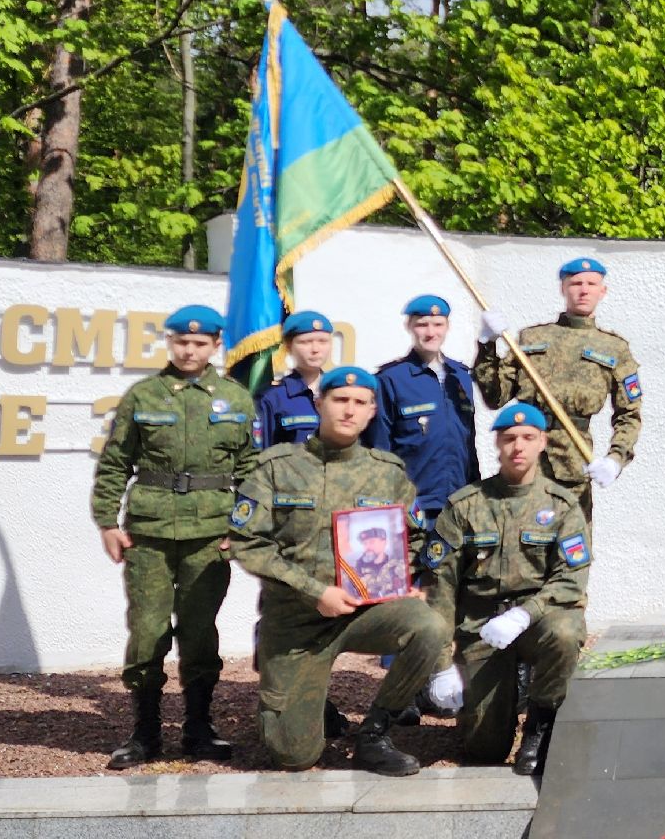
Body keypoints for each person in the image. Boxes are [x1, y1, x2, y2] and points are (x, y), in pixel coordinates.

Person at [229, 367, 453, 776]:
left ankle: (375, 734)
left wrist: (403, 578)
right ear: (320, 404)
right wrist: (313, 590)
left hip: (365, 611)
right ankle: (299, 699)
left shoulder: (387, 472)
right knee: (294, 756)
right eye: (340, 400)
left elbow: (415, 538)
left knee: (429, 626)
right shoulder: (277, 467)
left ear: (371, 412)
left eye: (359, 402)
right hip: (297, 621)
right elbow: (247, 542)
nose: (349, 410)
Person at [89, 303, 256, 769]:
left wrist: (242, 527)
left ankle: (199, 727)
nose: (189, 350)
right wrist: (107, 523)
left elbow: (250, 470)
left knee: (200, 632)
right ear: (170, 342)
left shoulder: (236, 399)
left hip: (210, 534)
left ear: (216, 345)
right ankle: (144, 732)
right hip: (150, 533)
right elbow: (115, 462)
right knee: (148, 631)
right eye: (182, 341)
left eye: (199, 343)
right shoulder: (144, 396)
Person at [421, 402, 592, 776]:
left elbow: (570, 578)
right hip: (481, 625)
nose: (519, 446)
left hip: (537, 619)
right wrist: (441, 666)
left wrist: (524, 615)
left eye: (528, 437)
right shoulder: (466, 505)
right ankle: (498, 699)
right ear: (497, 443)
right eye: (510, 438)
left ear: (543, 442)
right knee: (484, 749)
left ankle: (540, 726)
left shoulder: (561, 505)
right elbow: (441, 589)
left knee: (565, 634)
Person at [476, 258, 641, 519]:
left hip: (572, 464)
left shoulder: (614, 348)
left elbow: (629, 415)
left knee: (570, 540)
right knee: (517, 538)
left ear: (602, 291)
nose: (583, 290)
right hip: (524, 460)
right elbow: (495, 396)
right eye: (576, 283)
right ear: (563, 288)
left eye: (591, 284)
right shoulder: (531, 338)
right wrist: (487, 345)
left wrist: (615, 459)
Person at [365, 295, 481, 517]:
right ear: (409, 326)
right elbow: (379, 448)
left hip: (460, 502)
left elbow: (469, 443)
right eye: (422, 324)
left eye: (438, 324)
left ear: (447, 327)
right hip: (414, 505)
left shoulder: (460, 377)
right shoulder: (391, 379)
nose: (430, 332)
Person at [253, 311, 337, 449]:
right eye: (305, 342)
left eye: (323, 341)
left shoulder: (340, 393)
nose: (315, 349)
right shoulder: (273, 397)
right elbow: (262, 452)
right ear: (288, 346)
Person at [350, 527, 404, 601]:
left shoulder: (397, 566)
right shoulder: (355, 570)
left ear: (384, 543)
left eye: (372, 542)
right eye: (365, 543)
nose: (368, 547)